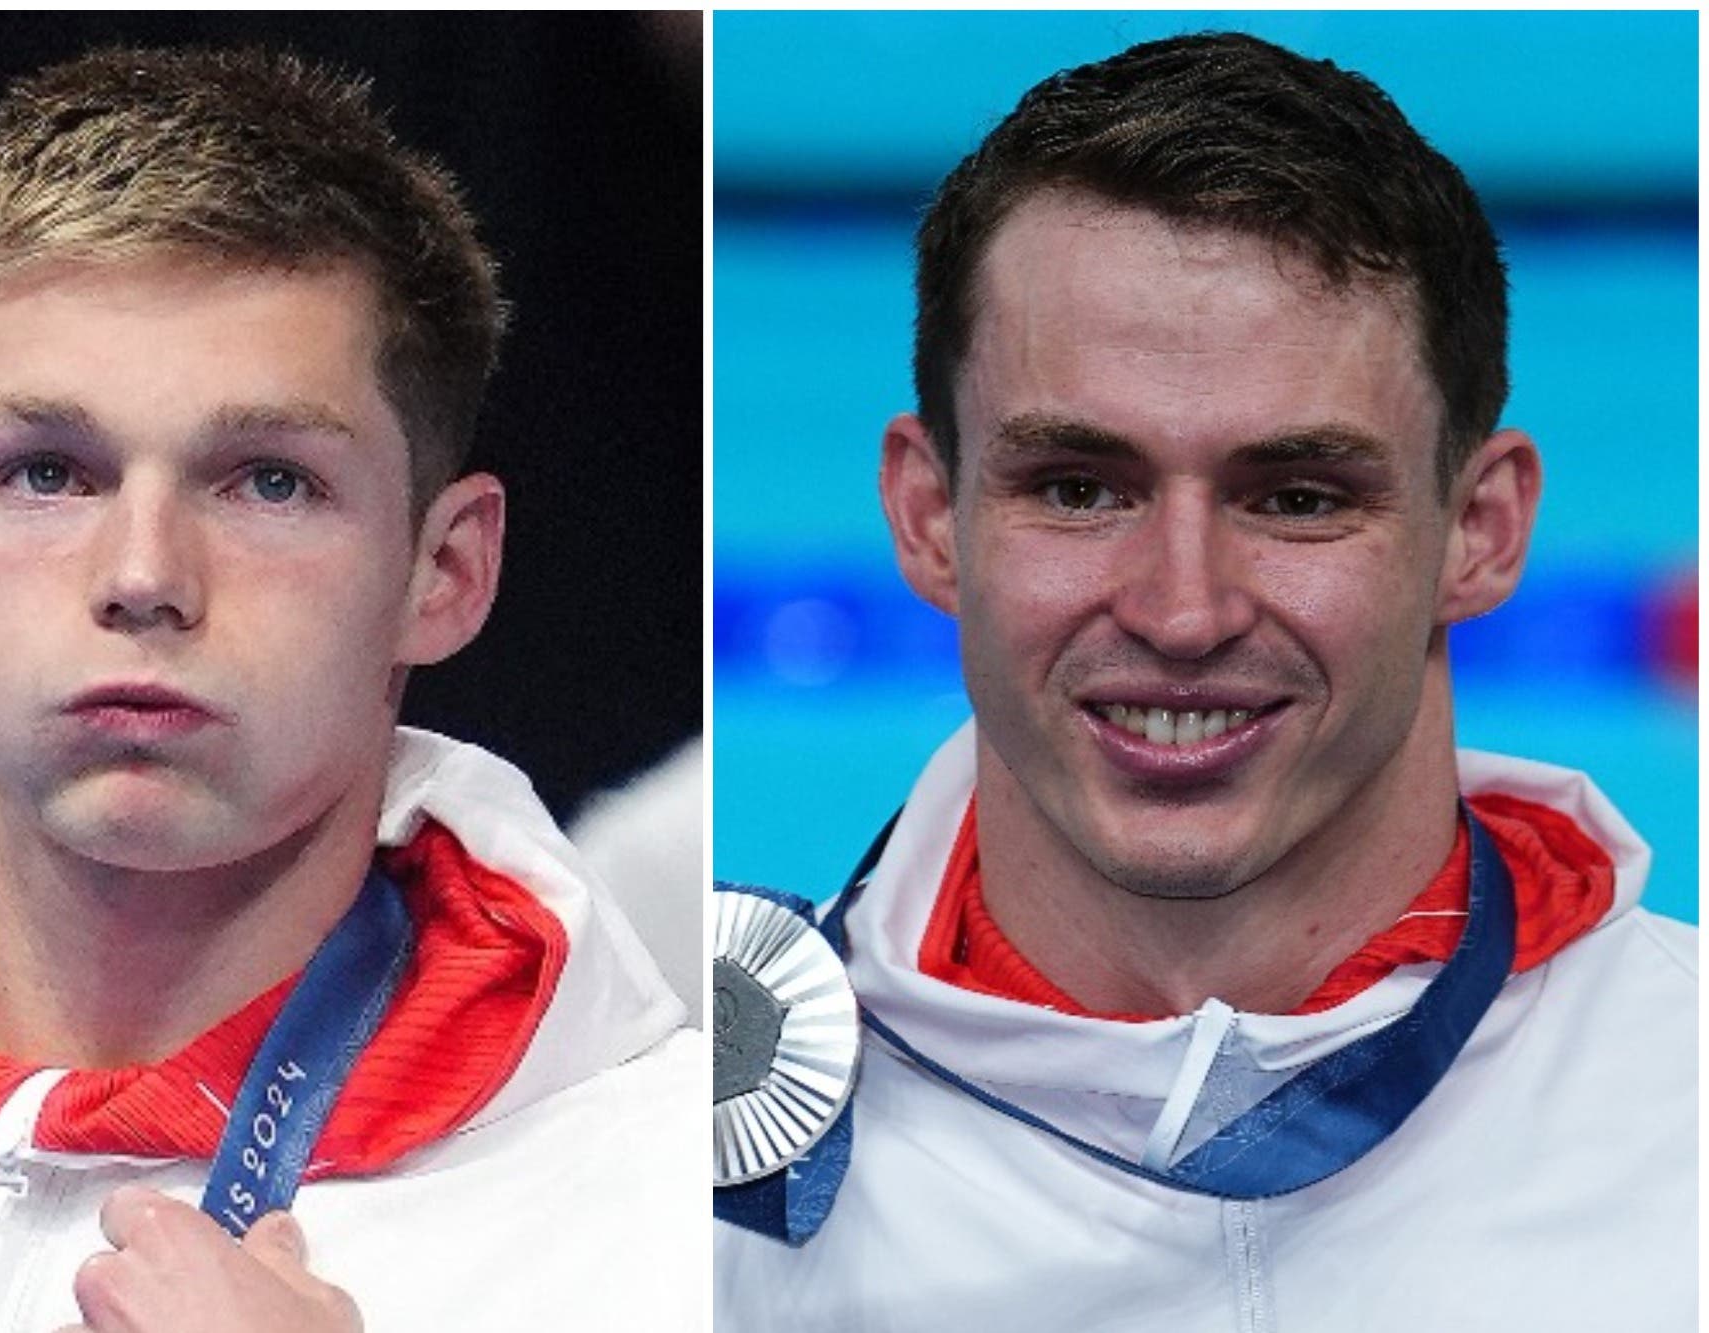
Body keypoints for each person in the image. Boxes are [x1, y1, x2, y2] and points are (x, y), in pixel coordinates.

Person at [713, 32, 1695, 1331]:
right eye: (1077, 487)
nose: (1184, 611)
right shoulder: (686, 1191)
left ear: (1482, 527)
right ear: (929, 515)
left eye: (1297, 498)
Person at [0, 46, 699, 1332]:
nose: (142, 575)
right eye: (47, 472)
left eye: (267, 481)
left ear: (444, 569)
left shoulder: (690, 1209)